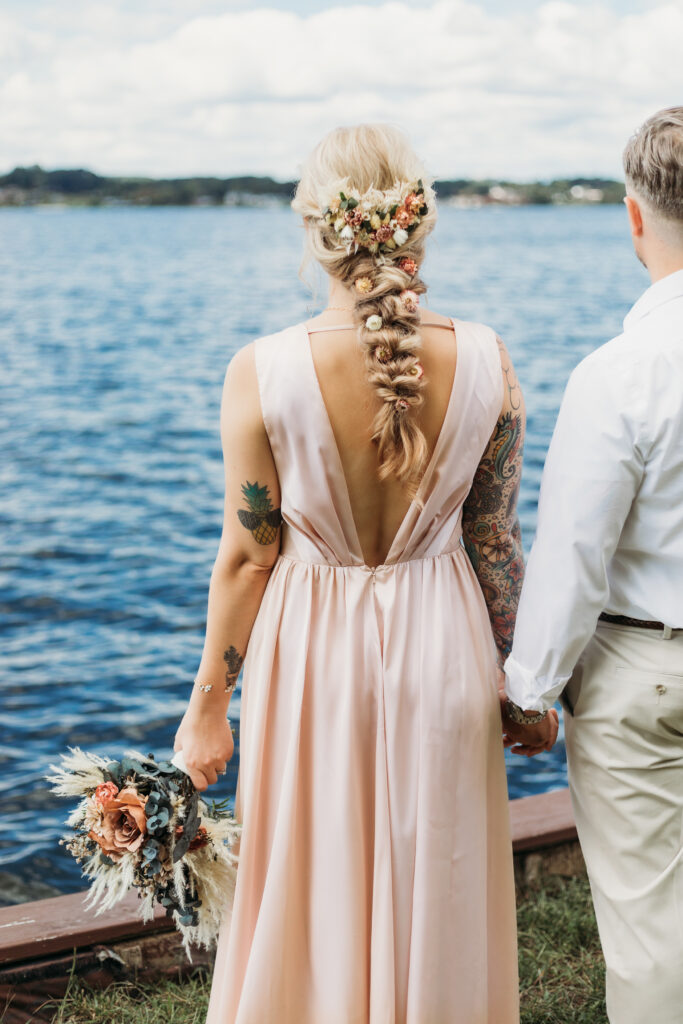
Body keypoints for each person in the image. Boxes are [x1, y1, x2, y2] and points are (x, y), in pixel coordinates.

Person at [173, 122, 553, 1024]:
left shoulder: (259, 370)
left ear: (316, 231)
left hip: (310, 660)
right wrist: (527, 687)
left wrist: (207, 708)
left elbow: (247, 555)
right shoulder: (488, 358)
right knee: (440, 881)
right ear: (419, 229)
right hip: (445, 649)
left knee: (310, 881)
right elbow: (494, 542)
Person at [503, 106, 683, 1024]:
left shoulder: (618, 373)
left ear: (633, 217)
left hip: (642, 673)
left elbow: (574, 551)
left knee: (653, 929)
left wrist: (528, 688)